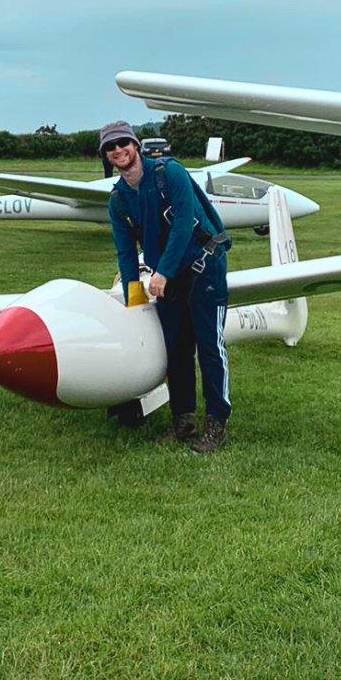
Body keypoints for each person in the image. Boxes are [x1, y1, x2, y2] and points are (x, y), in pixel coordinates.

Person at [101, 120, 232, 453]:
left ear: (135, 145)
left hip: (203, 266)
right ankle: (183, 421)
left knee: (209, 346)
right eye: (110, 147)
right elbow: (125, 253)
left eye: (122, 143)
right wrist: (133, 298)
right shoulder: (117, 201)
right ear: (106, 156)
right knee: (175, 348)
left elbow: (183, 224)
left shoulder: (170, 173)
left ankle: (216, 423)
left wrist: (163, 272)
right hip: (167, 278)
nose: (118, 150)